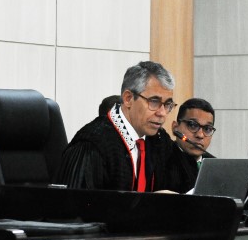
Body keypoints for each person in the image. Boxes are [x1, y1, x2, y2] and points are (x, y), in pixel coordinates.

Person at [56, 61, 176, 191]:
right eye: (154, 102)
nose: (162, 113)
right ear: (128, 98)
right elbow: (77, 207)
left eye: (168, 104)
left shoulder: (159, 140)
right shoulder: (92, 145)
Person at [167, 98, 217, 193]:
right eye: (192, 125)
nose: (200, 135)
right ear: (175, 128)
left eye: (207, 128)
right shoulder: (163, 160)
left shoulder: (215, 165)